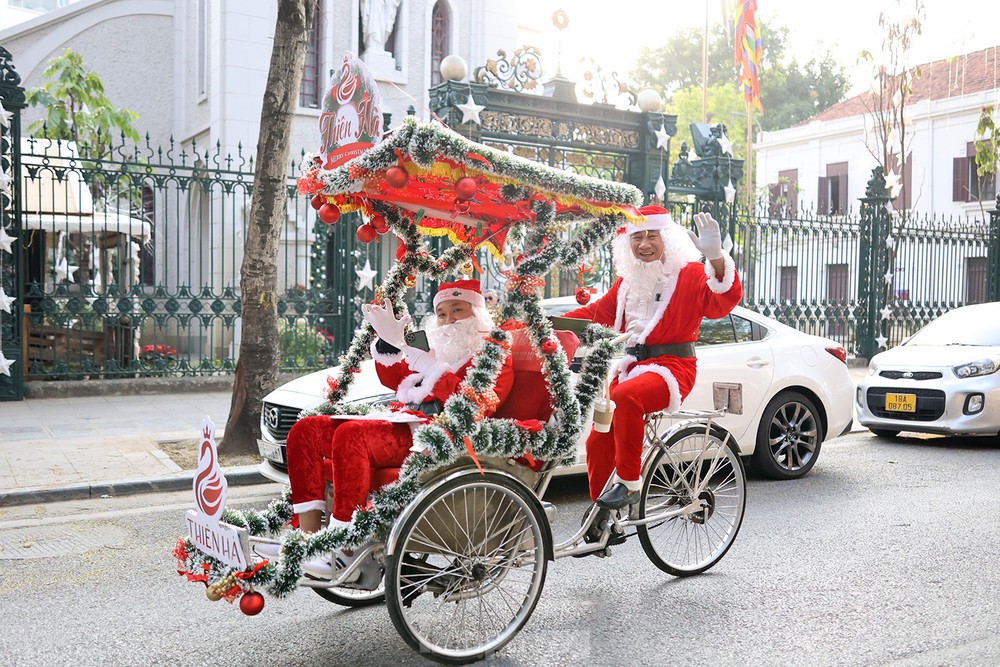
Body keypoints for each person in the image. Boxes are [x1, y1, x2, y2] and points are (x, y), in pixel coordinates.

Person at [278, 279, 514, 579]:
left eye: (458, 310)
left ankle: (343, 551)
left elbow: (478, 405)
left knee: (351, 437)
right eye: (441, 313)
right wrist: (391, 341)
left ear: (478, 314)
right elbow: (393, 377)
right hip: (403, 422)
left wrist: (431, 369)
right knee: (306, 430)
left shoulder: (493, 353)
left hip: (440, 437)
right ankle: (309, 541)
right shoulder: (430, 342)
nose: (449, 319)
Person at [562, 207, 742, 510]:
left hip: (673, 368)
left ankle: (631, 485)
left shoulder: (689, 273)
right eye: (637, 238)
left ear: (667, 239)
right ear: (627, 243)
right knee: (598, 440)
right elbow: (594, 316)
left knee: (627, 396)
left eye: (651, 236)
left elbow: (720, 302)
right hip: (630, 368)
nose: (644, 245)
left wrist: (717, 258)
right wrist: (546, 325)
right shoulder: (626, 284)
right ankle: (601, 513)